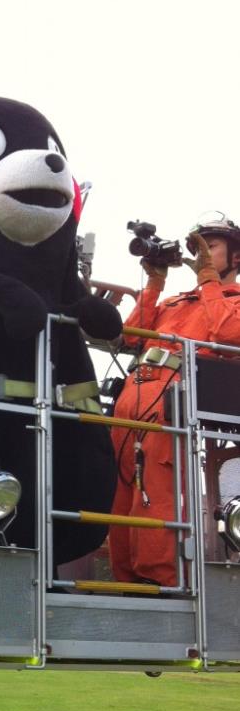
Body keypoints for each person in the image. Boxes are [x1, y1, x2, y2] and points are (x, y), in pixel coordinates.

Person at [109, 215, 240, 586]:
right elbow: (131, 337)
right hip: (133, 394)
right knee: (120, 491)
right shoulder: (174, 301)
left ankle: (159, 584)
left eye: (211, 247)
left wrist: (209, 279)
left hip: (172, 400)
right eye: (199, 248)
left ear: (236, 258)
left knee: (155, 489)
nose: (202, 254)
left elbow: (227, 332)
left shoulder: (231, 302)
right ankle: (125, 583)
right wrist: (155, 283)